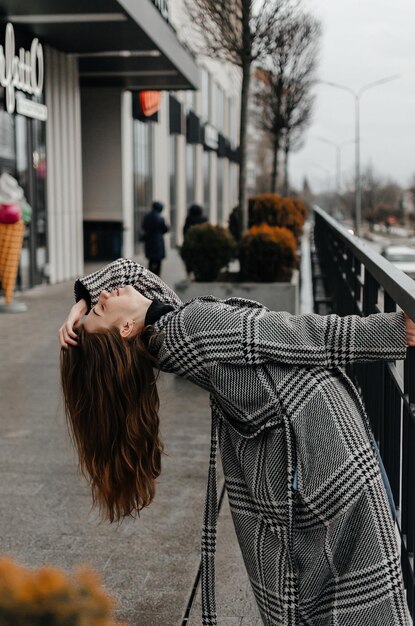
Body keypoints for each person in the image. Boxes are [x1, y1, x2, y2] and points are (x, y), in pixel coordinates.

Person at [59, 258, 414, 626]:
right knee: (363, 595)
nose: (104, 294)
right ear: (127, 328)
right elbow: (295, 332)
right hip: (326, 450)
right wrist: (390, 332)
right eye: (102, 305)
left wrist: (82, 307)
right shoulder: (189, 327)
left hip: (308, 457)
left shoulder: (165, 333)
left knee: (334, 597)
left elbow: (129, 271)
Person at [141, 201, 169, 276]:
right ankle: (157, 275)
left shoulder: (147, 216)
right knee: (158, 260)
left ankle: (150, 275)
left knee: (151, 259)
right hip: (158, 241)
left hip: (149, 240)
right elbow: (165, 229)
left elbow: (143, 226)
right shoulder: (160, 218)